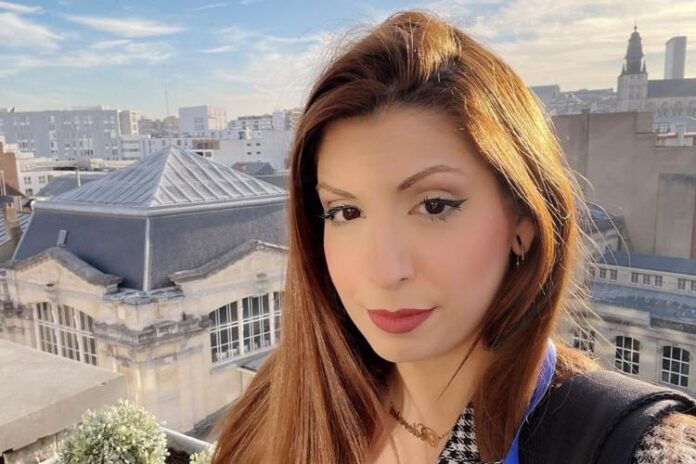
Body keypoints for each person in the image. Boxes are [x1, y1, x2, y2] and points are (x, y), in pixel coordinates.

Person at [210, 9, 696, 464]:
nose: (385, 271)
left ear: (523, 224)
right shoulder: (279, 402)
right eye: (345, 211)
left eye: (434, 205)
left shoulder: (632, 450)